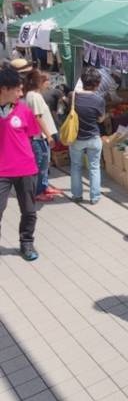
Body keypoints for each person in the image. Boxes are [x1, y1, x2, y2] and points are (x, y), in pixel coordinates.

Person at [0, 66, 41, 261]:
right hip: (2, 171)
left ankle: (27, 243)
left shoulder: (24, 110)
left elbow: (32, 136)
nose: (21, 93)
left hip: (25, 168)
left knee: (29, 211)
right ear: (4, 89)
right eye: (17, 90)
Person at [70, 67, 106, 204]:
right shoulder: (99, 100)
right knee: (94, 167)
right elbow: (100, 119)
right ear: (97, 83)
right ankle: (94, 197)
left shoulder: (73, 97)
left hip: (77, 138)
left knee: (76, 167)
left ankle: (77, 195)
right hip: (93, 137)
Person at [24, 70, 61, 201]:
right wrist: (48, 135)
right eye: (47, 81)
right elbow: (37, 117)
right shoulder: (34, 96)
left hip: (40, 136)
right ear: (39, 82)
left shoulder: (33, 95)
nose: (49, 83)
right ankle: (38, 192)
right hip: (39, 137)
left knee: (45, 164)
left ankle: (44, 187)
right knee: (40, 164)